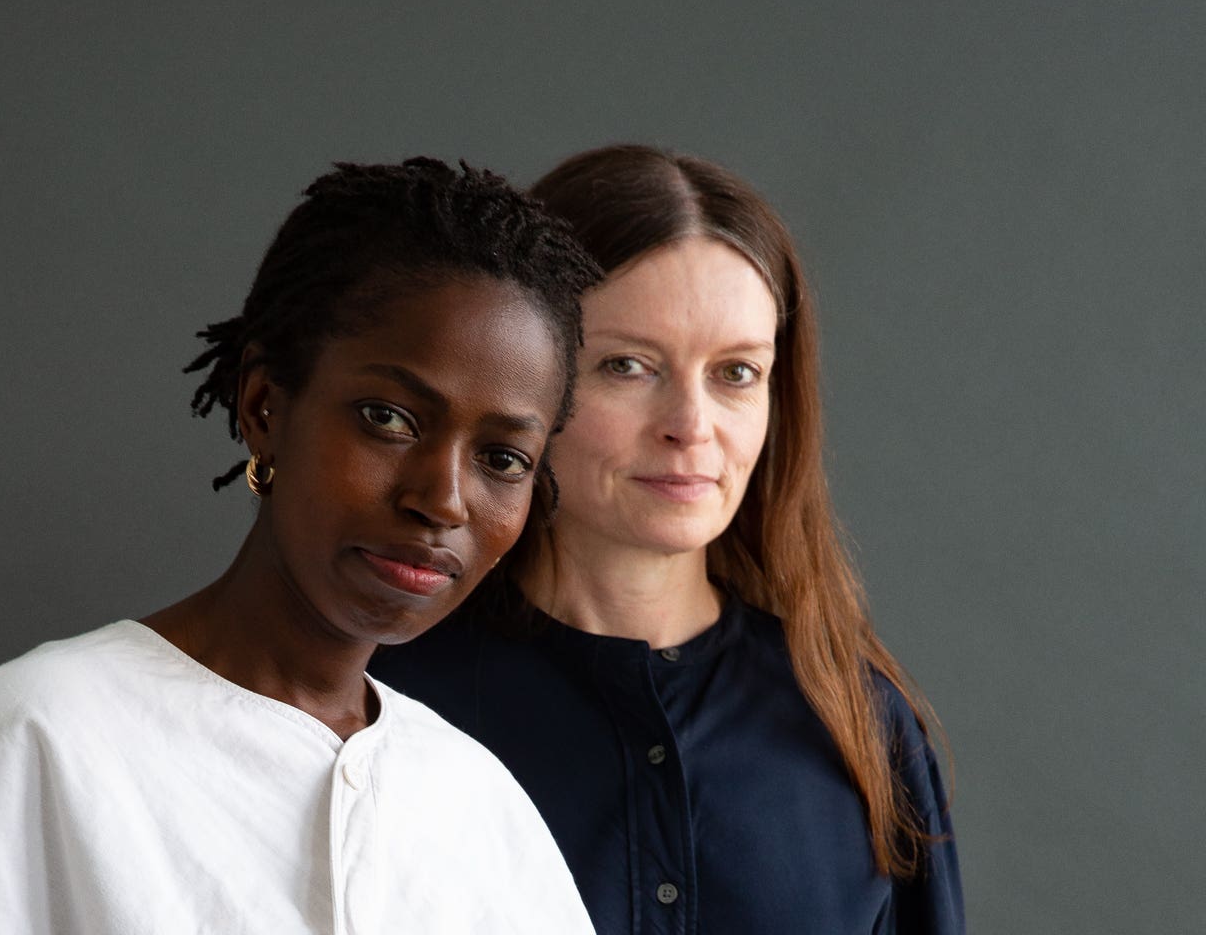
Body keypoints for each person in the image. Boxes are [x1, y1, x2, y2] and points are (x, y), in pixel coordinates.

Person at [0, 159, 602, 934]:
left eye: (502, 460)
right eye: (389, 418)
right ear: (265, 404)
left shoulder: (480, 806)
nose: (441, 499)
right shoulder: (38, 735)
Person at [373, 145, 965, 934]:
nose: (691, 427)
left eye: (736, 373)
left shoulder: (859, 722)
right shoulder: (390, 703)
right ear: (523, 375)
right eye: (627, 366)